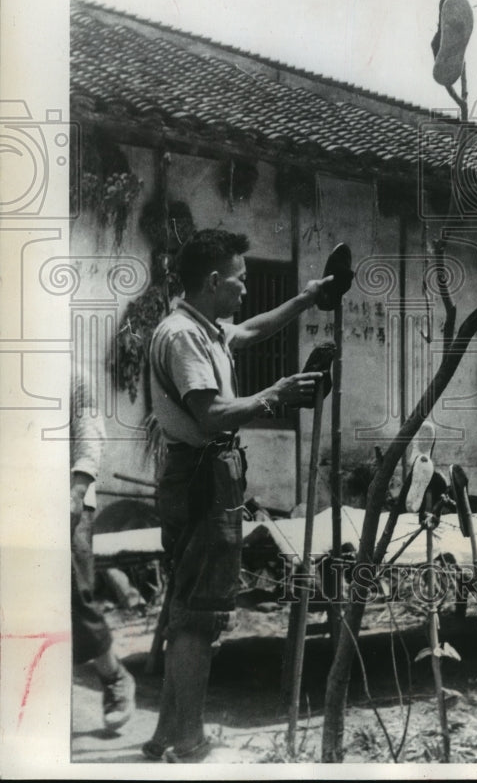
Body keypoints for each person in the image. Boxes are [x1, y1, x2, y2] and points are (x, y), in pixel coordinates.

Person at [144, 228, 330, 763]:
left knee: (186, 605)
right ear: (212, 280)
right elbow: (211, 413)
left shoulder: (203, 329)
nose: (246, 289)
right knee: (199, 614)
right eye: (241, 279)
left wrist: (308, 296)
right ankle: (190, 741)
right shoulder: (182, 337)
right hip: (202, 477)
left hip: (201, 474)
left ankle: (165, 737)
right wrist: (274, 394)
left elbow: (249, 330)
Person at [71, 370, 137, 731]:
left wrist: (76, 492)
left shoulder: (73, 375)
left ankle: (114, 678)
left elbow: (89, 437)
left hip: (69, 495)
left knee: (72, 596)